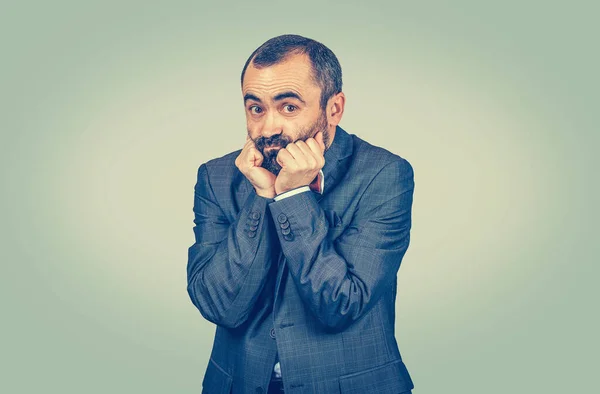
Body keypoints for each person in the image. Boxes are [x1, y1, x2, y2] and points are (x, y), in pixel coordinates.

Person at [187, 34, 415, 394]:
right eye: (256, 108)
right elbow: (219, 305)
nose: (268, 128)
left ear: (333, 109)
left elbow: (341, 303)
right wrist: (262, 195)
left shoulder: (383, 174)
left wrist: (292, 196)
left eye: (289, 107)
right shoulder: (216, 177)